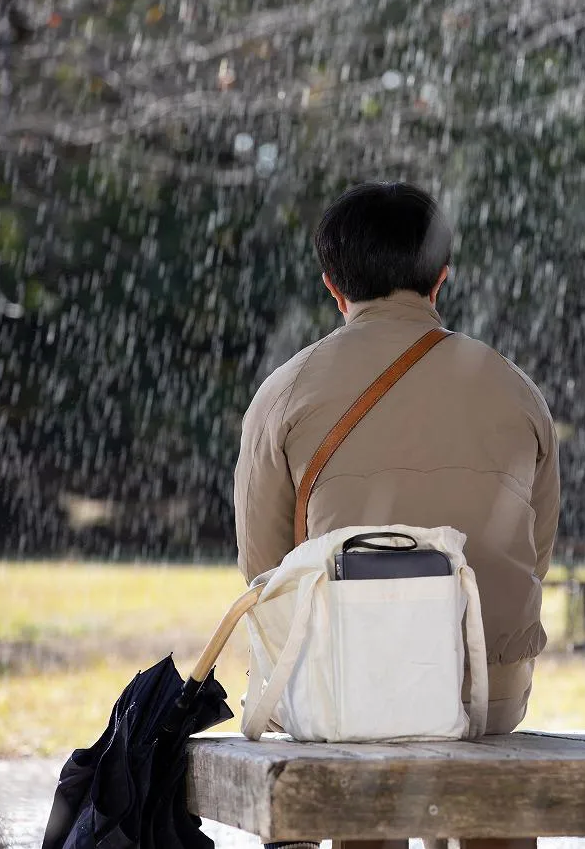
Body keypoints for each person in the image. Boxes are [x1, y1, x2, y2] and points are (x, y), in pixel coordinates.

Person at [234, 181, 559, 849]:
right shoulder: (513, 386)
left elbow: (264, 579)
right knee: (484, 798)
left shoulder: (286, 390)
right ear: (441, 279)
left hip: (353, 688)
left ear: (332, 285)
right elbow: (536, 550)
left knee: (363, 751)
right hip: (488, 690)